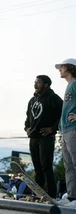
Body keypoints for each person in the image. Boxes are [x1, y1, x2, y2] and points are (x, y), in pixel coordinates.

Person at [24, 75, 63, 198]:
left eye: (38, 83)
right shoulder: (32, 100)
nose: (35, 85)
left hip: (46, 137)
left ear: (46, 85)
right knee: (37, 167)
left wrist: (52, 128)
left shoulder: (54, 98)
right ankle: (38, 193)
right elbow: (28, 117)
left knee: (46, 166)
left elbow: (63, 114)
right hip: (33, 137)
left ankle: (52, 194)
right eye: (35, 82)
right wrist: (27, 127)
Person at [55, 58, 76, 206]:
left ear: (70, 67)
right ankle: (72, 197)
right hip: (66, 130)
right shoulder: (70, 85)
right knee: (68, 165)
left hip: (74, 130)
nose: (60, 69)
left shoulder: (75, 84)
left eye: (62, 67)